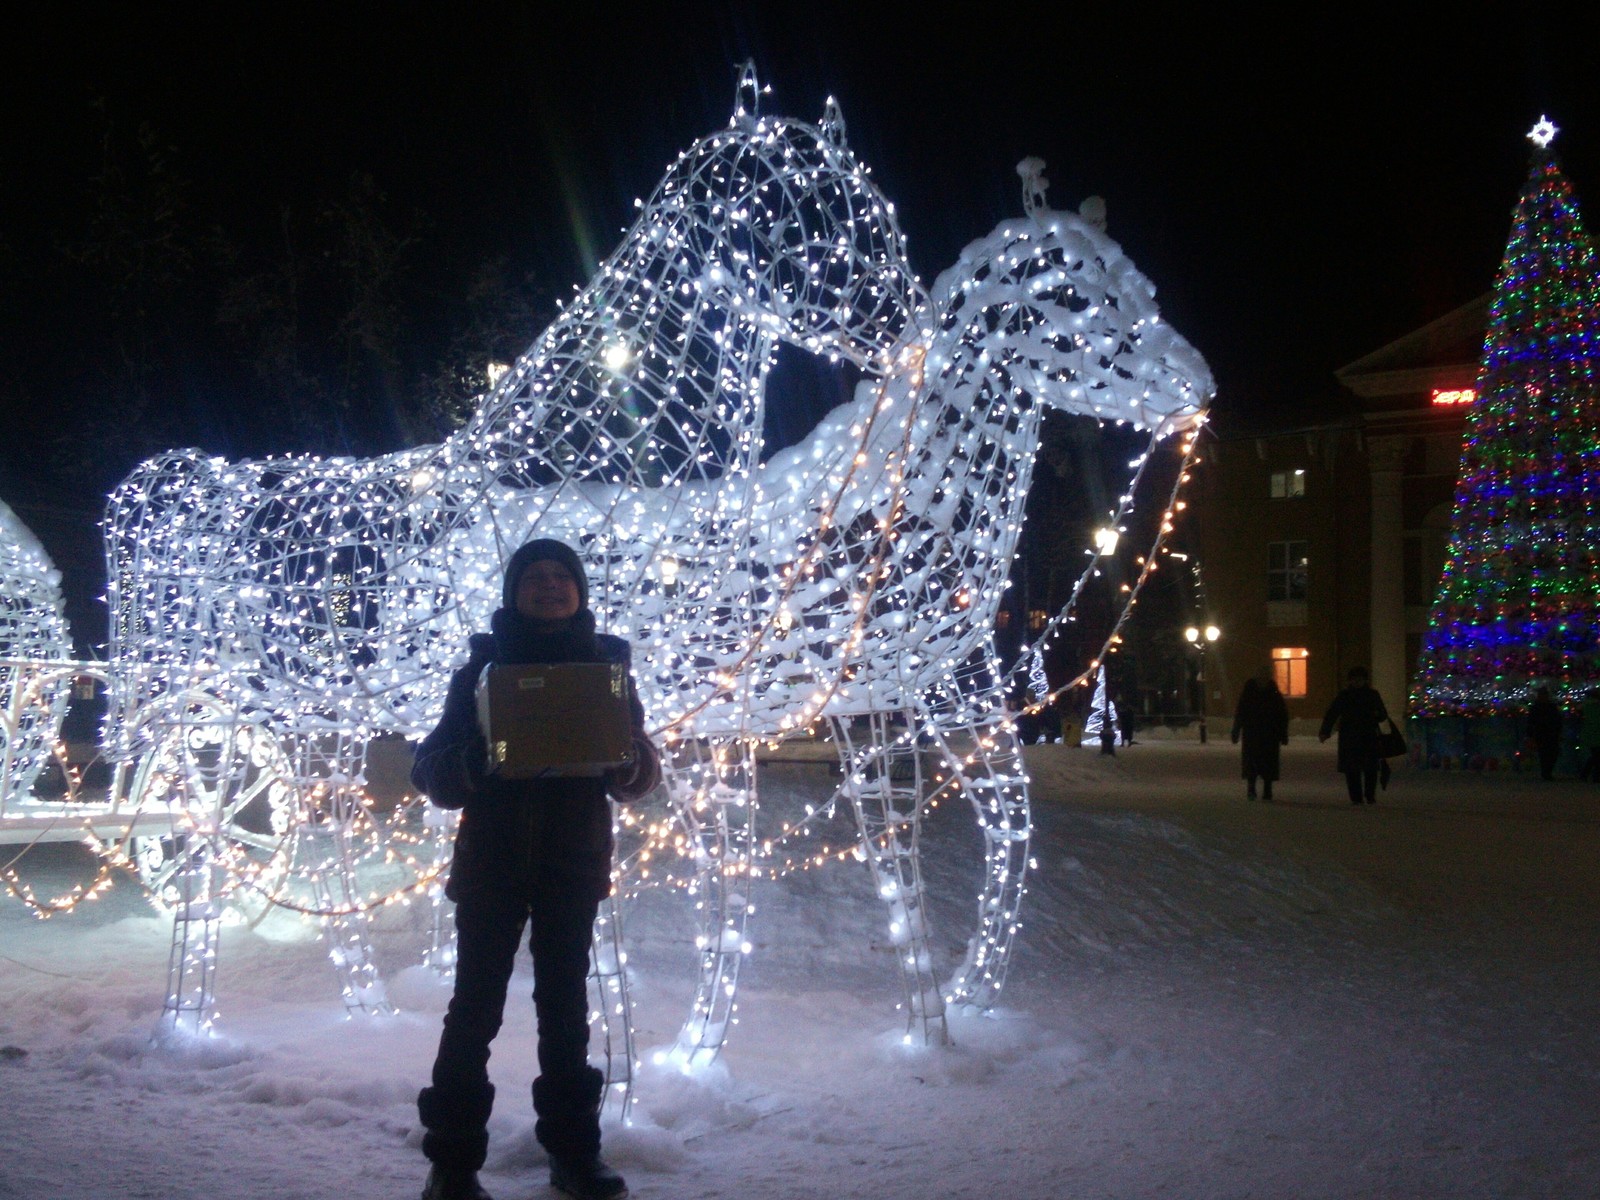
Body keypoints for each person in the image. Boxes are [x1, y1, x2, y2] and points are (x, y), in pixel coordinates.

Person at [413, 539, 661, 1200]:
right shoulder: (480, 669)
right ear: (513, 591)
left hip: (570, 867)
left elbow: (637, 771)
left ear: (579, 591)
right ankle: (454, 1164)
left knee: (567, 1012)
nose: (549, 586)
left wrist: (627, 758)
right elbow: (431, 765)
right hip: (492, 867)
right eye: (535, 577)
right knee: (473, 1012)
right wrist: (475, 759)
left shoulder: (608, 668)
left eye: (562, 577)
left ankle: (574, 1154)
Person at [1319, 666, 1389, 806]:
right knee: (1352, 768)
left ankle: (1369, 795)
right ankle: (1356, 798)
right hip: (1350, 736)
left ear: (1365, 680)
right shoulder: (1344, 696)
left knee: (1370, 768)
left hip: (1368, 735)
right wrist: (1325, 731)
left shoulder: (1372, 695)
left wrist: (1377, 716)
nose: (1357, 682)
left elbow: (1383, 714)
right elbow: (1332, 713)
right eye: (1354, 679)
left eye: (1360, 679)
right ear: (1350, 681)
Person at [1231, 666, 1288, 801]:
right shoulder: (1256, 691)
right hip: (1256, 734)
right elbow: (1241, 712)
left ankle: (1264, 789)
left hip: (1265, 734)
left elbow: (1281, 714)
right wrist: (1236, 730)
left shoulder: (1270, 692)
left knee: (1264, 762)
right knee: (1255, 762)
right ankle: (1254, 789)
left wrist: (1283, 733)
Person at [1527, 685, 1563, 781]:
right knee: (1545, 754)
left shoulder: (1550, 707)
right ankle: (1546, 773)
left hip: (1550, 733)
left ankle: (1547, 772)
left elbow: (1557, 720)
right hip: (1542, 733)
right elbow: (1531, 722)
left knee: (1551, 754)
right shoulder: (1537, 707)